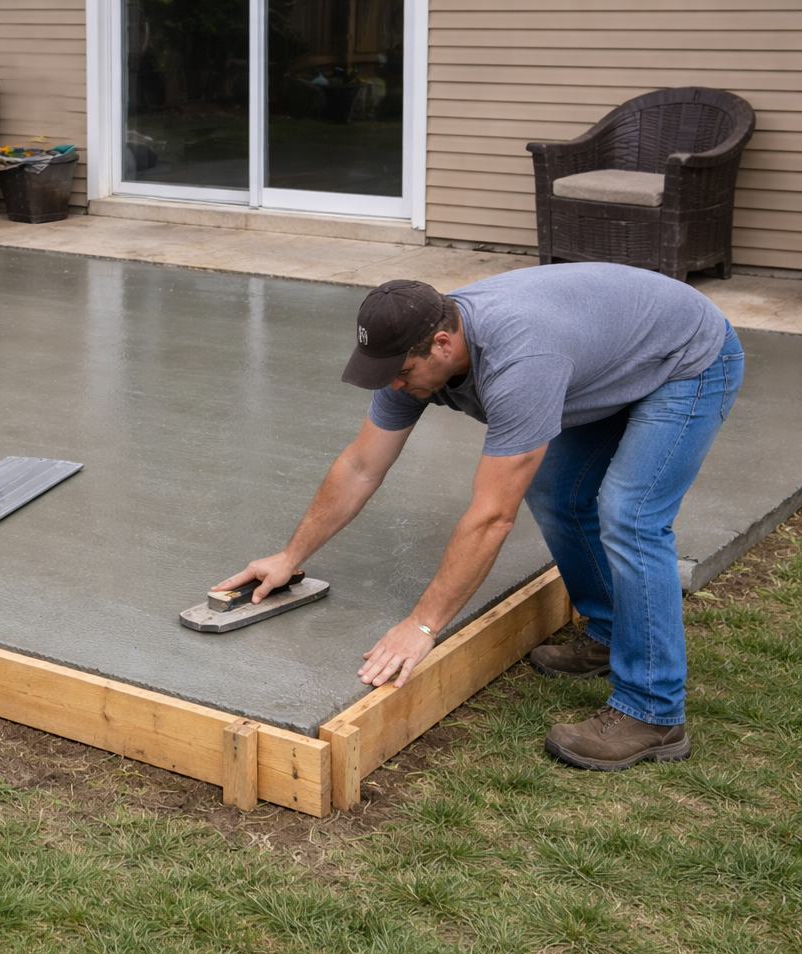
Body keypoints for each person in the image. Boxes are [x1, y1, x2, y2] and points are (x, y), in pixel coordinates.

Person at [218, 263, 743, 770]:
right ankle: (610, 634)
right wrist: (290, 557)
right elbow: (360, 465)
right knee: (557, 494)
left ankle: (653, 712)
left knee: (630, 516)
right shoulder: (414, 355)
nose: (394, 386)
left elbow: (492, 516)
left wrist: (422, 624)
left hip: (686, 358)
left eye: (401, 373)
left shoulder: (521, 361)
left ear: (443, 345)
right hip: (608, 355)